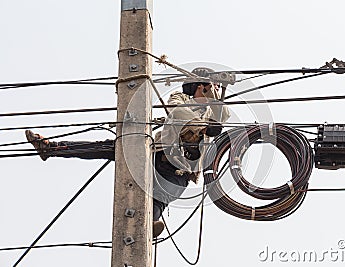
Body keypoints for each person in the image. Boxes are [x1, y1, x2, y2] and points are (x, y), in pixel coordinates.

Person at [25, 67, 230, 238]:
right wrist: (201, 125)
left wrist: (214, 99)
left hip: (181, 171)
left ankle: (150, 223)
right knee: (114, 147)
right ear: (199, 86)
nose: (214, 90)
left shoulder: (213, 110)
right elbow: (177, 111)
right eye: (210, 86)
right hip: (159, 156)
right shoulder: (182, 98)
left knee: (159, 197)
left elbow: (224, 116)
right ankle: (51, 148)